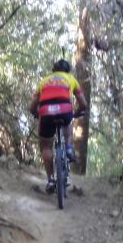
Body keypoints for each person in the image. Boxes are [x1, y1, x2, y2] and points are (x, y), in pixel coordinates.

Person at [29, 59, 87, 192]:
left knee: (46, 146)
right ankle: (68, 148)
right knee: (68, 121)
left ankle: (50, 180)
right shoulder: (71, 79)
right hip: (64, 110)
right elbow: (83, 103)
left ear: (53, 70)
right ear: (67, 70)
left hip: (46, 112)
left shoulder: (44, 81)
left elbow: (32, 106)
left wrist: (37, 114)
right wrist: (78, 113)